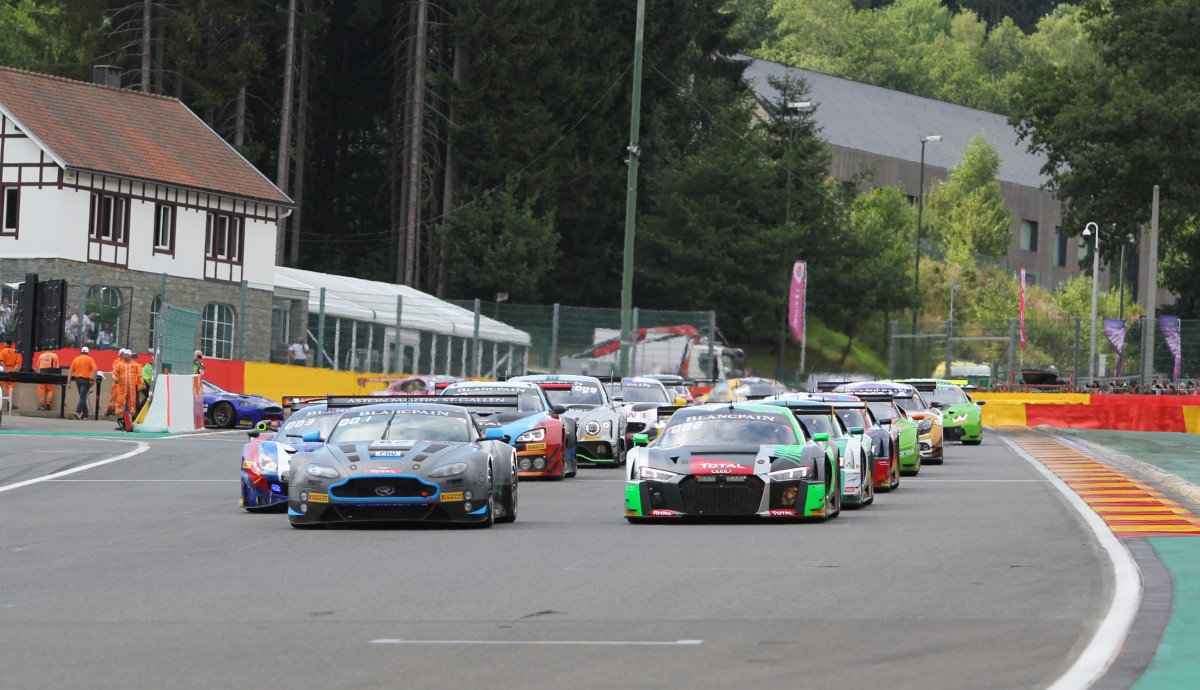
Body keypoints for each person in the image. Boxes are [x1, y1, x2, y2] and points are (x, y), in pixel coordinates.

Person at [112, 349, 140, 431]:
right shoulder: (119, 364)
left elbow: (139, 376)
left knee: (131, 406)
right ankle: (122, 423)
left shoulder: (136, 365)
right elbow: (114, 373)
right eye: (124, 354)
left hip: (132, 390)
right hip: (122, 389)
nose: (125, 356)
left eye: (127, 354)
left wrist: (141, 384)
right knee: (120, 405)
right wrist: (115, 379)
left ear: (130, 356)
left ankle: (129, 424)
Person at [69, 346, 99, 420]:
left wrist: (68, 382)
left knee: (82, 396)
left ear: (81, 352)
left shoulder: (76, 359)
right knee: (82, 397)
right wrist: (94, 380)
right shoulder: (90, 359)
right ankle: (77, 411)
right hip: (85, 380)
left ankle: (85, 414)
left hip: (77, 380)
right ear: (88, 352)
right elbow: (95, 370)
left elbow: (70, 371)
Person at [0, 339, 22, 404]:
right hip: (11, 370)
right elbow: (17, 364)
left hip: (3, 370)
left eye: (4, 343)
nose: (4, 345)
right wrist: (12, 371)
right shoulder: (15, 352)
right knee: (10, 387)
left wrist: (5, 369)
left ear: (7, 344)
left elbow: (1, 361)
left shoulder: (2, 351)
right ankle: (9, 404)